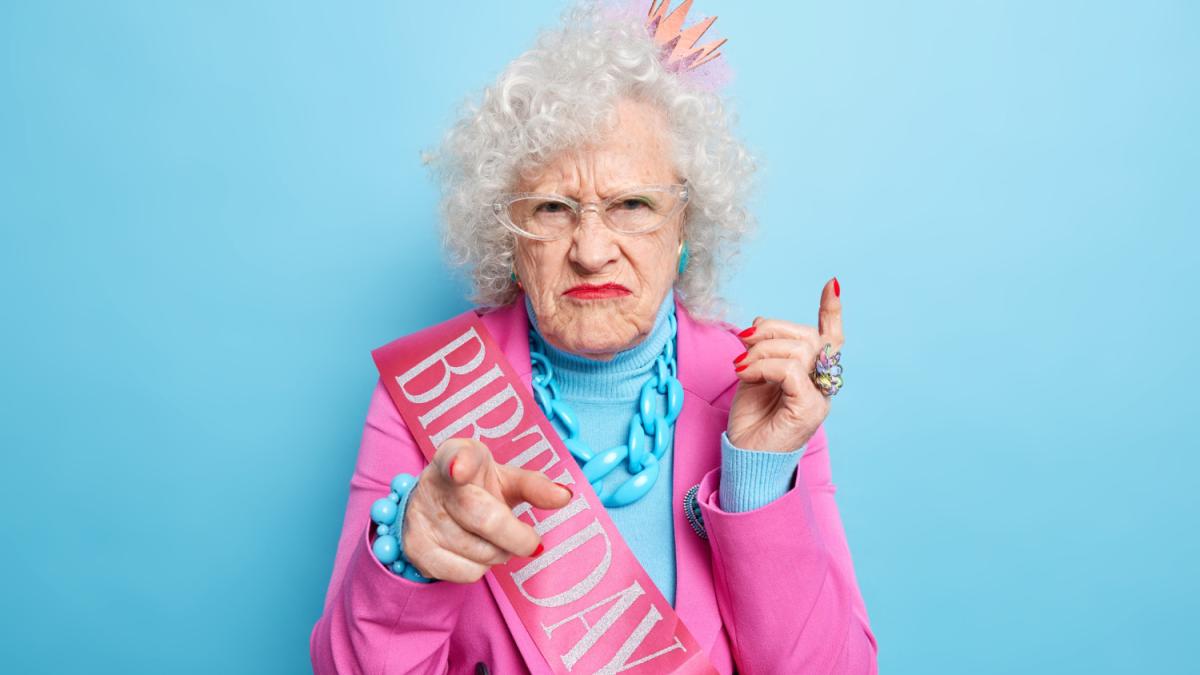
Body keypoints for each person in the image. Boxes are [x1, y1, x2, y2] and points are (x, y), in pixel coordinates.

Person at [311, 1, 877, 672]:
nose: (590, 250)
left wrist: (756, 480)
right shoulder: (430, 388)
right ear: (509, 239)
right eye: (552, 209)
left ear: (685, 229)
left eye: (632, 205)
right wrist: (412, 557)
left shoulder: (760, 391)